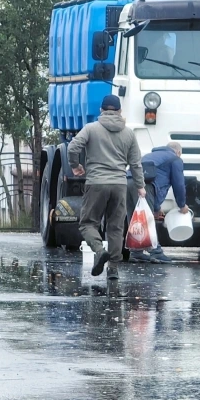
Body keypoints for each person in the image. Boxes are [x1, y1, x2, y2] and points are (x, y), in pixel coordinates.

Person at [68, 95, 146, 280]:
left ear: (102, 110)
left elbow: (73, 148)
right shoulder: (128, 133)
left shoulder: (91, 129)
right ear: (119, 111)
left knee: (88, 223)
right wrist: (140, 186)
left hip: (96, 182)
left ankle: (99, 250)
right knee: (116, 227)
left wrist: (76, 166)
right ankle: (113, 268)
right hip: (119, 184)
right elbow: (136, 163)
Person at [128, 142, 189, 264]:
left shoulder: (149, 156)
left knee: (134, 219)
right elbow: (179, 184)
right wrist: (182, 205)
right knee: (147, 219)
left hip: (128, 182)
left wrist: (156, 208)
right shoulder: (175, 159)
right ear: (178, 152)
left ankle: (136, 252)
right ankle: (156, 253)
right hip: (146, 186)